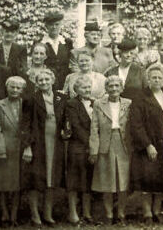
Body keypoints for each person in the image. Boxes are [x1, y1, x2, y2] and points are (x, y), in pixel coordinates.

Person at [129, 64, 163, 222]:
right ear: (148, 79)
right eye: (153, 77)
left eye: (159, 77)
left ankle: (157, 211)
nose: (156, 80)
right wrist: (147, 145)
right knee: (147, 181)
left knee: (160, 179)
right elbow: (136, 125)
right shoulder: (140, 98)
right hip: (148, 145)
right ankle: (147, 213)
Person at [20, 68, 65, 226]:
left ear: (52, 80)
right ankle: (34, 214)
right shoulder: (31, 99)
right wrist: (27, 147)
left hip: (56, 143)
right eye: (40, 80)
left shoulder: (61, 98)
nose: (44, 82)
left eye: (47, 79)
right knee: (35, 179)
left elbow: (66, 121)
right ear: (36, 83)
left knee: (51, 178)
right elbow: (25, 124)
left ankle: (47, 214)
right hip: (38, 143)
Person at [90, 75, 132, 223]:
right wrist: (94, 150)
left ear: (121, 88)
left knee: (123, 181)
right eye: (111, 86)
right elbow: (94, 128)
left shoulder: (129, 103)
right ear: (106, 88)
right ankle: (108, 214)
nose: (114, 89)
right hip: (105, 144)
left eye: (117, 86)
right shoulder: (98, 104)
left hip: (123, 145)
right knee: (107, 181)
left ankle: (121, 213)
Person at [0, 76, 26, 226]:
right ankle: (4, 213)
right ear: (7, 88)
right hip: (4, 148)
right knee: (3, 183)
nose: (15, 90)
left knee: (17, 183)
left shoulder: (26, 104)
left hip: (22, 150)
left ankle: (14, 215)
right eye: (12, 87)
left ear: (23, 90)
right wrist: (1, 149)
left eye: (18, 88)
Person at [63, 75, 95, 224]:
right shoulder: (71, 104)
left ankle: (87, 213)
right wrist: (90, 143)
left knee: (88, 180)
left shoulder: (95, 103)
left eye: (89, 87)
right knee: (74, 180)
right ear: (76, 90)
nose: (87, 90)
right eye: (84, 87)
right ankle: (73, 213)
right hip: (78, 146)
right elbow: (75, 126)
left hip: (92, 147)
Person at [41, 11, 73, 91]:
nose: (54, 27)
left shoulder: (67, 42)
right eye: (51, 24)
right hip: (47, 83)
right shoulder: (40, 43)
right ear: (46, 26)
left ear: (60, 25)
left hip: (65, 82)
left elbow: (70, 62)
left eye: (57, 24)